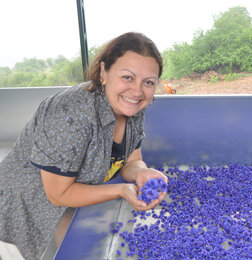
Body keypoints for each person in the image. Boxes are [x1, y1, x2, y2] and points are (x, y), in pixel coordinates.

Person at [0, 32, 168, 260]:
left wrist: (141, 172)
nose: (137, 91)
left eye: (148, 82)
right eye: (127, 77)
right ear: (103, 72)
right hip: (29, 204)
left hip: (74, 192)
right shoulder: (69, 112)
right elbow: (58, 195)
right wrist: (121, 189)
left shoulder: (134, 106)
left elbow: (131, 160)